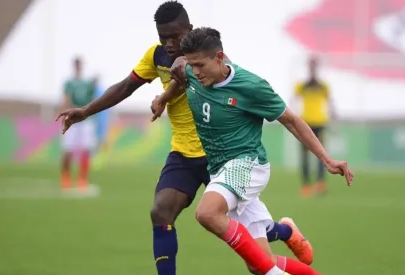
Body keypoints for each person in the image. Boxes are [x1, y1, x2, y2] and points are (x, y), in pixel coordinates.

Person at [55, 2, 307, 274]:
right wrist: (85, 111)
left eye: (175, 37)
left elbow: (215, 83)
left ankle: (282, 230)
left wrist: (168, 91)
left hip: (223, 160)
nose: (170, 43)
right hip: (184, 155)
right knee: (161, 211)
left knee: (258, 262)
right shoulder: (157, 56)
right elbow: (127, 86)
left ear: (190, 29)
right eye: (163, 38)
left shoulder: (209, 61)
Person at [152, 27, 353, 275]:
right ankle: (289, 247)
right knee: (258, 264)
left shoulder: (251, 86)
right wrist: (163, 98)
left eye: (200, 65)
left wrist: (326, 159)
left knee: (206, 213)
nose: (196, 72)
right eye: (192, 65)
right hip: (220, 170)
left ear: (219, 57)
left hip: (248, 164)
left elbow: (292, 120)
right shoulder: (193, 73)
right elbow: (181, 76)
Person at [292, 56, 336, 197]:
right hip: (305, 123)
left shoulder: (323, 86)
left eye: (314, 65)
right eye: (310, 65)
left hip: (320, 122)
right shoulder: (302, 85)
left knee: (321, 154)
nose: (312, 68)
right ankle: (306, 185)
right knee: (304, 155)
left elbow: (330, 102)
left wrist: (334, 120)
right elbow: (293, 101)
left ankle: (320, 183)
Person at [60, 57, 96, 191]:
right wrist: (66, 114)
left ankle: (82, 179)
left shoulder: (87, 84)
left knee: (86, 149)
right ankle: (66, 177)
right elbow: (65, 99)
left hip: (85, 120)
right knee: (68, 149)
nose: (78, 68)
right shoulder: (69, 83)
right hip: (72, 119)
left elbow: (92, 101)